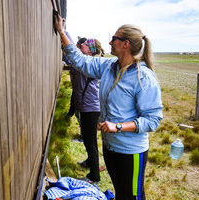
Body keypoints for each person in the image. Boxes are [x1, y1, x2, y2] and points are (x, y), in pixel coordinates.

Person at [55, 15, 163, 200]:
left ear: (125, 44)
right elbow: (81, 61)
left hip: (131, 152)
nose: (110, 42)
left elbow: (152, 120)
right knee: (120, 193)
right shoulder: (108, 67)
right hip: (110, 147)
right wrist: (62, 32)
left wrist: (118, 126)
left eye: (114, 39)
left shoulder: (143, 77)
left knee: (133, 196)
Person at [72, 37, 104, 184]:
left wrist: (77, 106)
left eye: (84, 45)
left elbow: (78, 89)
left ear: (90, 50)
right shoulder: (91, 63)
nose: (81, 45)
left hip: (89, 108)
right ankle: (89, 162)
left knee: (90, 142)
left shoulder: (86, 64)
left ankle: (94, 177)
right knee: (88, 139)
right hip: (91, 106)